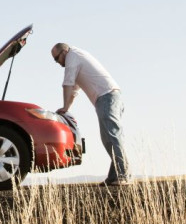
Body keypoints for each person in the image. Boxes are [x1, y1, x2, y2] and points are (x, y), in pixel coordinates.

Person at [51, 42, 130, 186]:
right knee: (108, 137)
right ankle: (114, 176)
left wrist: (64, 106)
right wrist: (66, 108)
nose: (57, 63)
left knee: (111, 136)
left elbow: (67, 83)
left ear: (63, 52)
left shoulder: (72, 57)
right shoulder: (77, 57)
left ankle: (123, 174)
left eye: (56, 59)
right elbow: (74, 89)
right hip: (109, 97)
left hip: (107, 97)